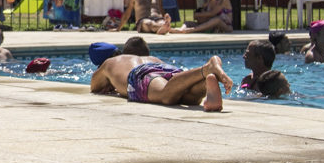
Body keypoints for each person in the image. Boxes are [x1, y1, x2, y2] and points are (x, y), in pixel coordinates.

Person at [90, 53, 234, 111]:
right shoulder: (152, 58)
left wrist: (111, 83)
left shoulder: (111, 61)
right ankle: (206, 83)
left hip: (141, 73)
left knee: (165, 95)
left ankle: (207, 68)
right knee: (187, 97)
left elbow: (94, 85)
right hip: (166, 69)